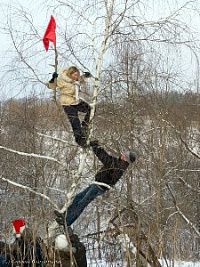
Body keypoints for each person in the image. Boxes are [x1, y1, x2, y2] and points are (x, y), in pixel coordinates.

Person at [55, 141, 136, 226]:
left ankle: (67, 222)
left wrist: (95, 147)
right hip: (96, 184)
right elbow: (106, 156)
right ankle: (65, 215)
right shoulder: (117, 162)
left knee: (82, 203)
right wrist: (97, 146)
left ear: (126, 158)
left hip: (99, 187)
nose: (122, 153)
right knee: (78, 198)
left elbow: (105, 159)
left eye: (125, 154)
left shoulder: (120, 167)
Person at [46, 66, 91, 148]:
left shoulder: (76, 79)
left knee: (90, 109)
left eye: (77, 75)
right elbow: (50, 86)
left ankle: (85, 126)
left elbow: (81, 79)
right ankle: (80, 141)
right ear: (70, 74)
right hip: (67, 104)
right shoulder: (62, 80)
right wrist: (53, 79)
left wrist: (86, 76)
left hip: (76, 102)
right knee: (75, 123)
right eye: (75, 75)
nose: (76, 77)